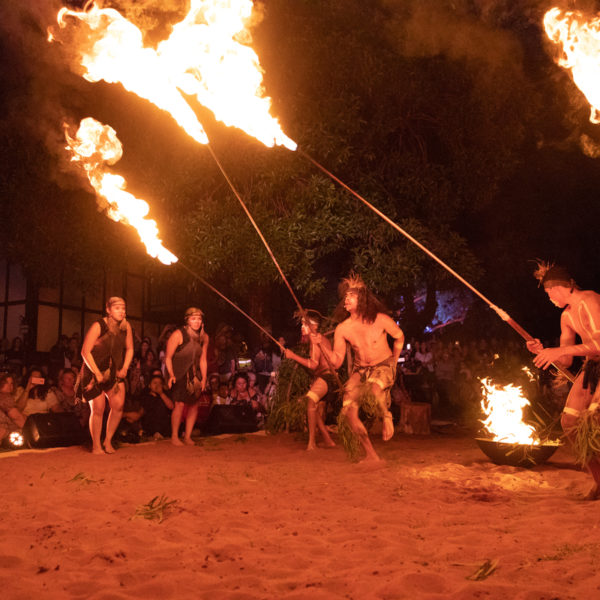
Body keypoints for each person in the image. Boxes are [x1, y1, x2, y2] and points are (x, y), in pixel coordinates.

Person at [526, 263, 600, 500]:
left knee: (595, 421)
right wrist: (544, 350)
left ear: (561, 287)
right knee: (570, 422)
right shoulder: (566, 316)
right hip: (592, 367)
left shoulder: (589, 301)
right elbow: (566, 359)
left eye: (550, 293)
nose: (549, 299)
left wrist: (555, 352)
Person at [313, 274, 404, 462]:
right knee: (348, 410)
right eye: (345, 297)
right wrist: (320, 343)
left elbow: (399, 337)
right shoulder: (343, 328)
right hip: (360, 370)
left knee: (373, 388)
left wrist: (394, 361)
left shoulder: (380, 319)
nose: (346, 299)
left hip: (383, 365)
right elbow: (336, 361)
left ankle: (387, 417)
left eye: (351, 296)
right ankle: (371, 455)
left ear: (361, 299)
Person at [81, 297, 134, 455]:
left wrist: (125, 367)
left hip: (114, 372)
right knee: (98, 408)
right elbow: (85, 351)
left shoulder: (126, 327)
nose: (122, 311)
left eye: (123, 308)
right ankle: (96, 445)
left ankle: (108, 440)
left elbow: (130, 349)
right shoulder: (99, 325)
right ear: (108, 310)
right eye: (117, 308)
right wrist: (96, 372)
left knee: (118, 405)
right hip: (93, 371)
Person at [284, 313, 337, 451]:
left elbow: (313, 364)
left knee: (310, 401)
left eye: (305, 324)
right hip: (325, 377)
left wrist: (293, 356)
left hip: (327, 377)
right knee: (312, 408)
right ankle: (328, 440)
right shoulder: (320, 339)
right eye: (302, 324)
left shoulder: (315, 340)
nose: (302, 327)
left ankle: (312, 443)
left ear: (314, 326)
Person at [165, 307, 209, 446]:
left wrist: (204, 378)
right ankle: (174, 436)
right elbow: (168, 357)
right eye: (193, 318)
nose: (196, 321)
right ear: (187, 320)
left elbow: (203, 359)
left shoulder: (204, 337)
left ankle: (188, 436)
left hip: (195, 374)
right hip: (178, 373)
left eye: (199, 319)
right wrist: (171, 375)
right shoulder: (178, 335)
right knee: (179, 404)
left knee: (194, 404)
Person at [0, 373, 26, 443]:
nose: (9, 386)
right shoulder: (4, 397)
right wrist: (29, 430)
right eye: (6, 383)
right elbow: (16, 417)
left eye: (11, 383)